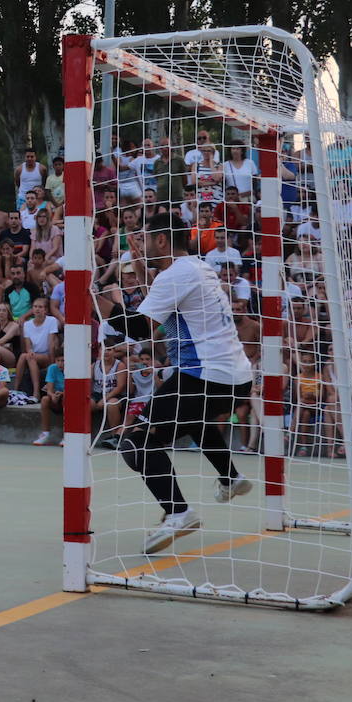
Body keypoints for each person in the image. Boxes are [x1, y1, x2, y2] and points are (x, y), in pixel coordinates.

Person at [122, 211, 254, 554]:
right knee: (193, 420)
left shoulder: (175, 276)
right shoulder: (197, 266)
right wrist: (141, 269)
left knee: (136, 443)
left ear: (162, 240)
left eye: (146, 237)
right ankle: (230, 477)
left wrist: (94, 302)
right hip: (237, 379)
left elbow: (140, 330)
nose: (140, 243)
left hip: (205, 377)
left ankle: (178, 512)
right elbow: (166, 298)